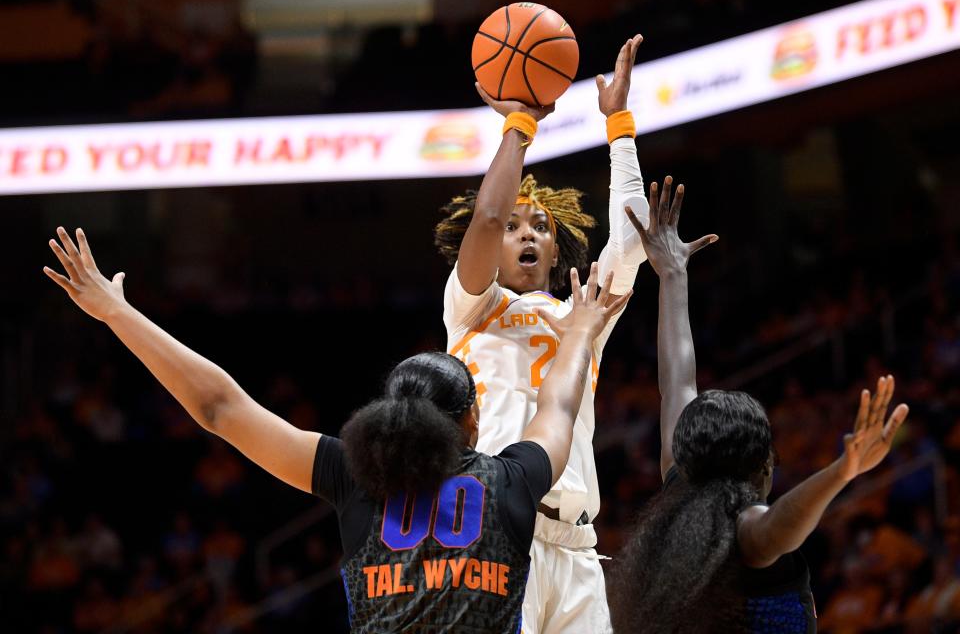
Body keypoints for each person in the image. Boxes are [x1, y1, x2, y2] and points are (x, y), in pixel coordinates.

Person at [43, 226, 629, 633]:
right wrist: (578, 329)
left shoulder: (353, 475)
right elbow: (558, 403)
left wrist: (117, 312)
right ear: (472, 423)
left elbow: (220, 407)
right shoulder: (511, 480)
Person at [608, 178, 911, 633]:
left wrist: (672, 275)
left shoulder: (679, 489)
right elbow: (778, 526)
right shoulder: (746, 525)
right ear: (761, 465)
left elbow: (677, 383)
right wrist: (841, 471)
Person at [434, 35, 646, 633]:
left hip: (578, 546)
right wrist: (519, 126)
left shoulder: (583, 315)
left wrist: (620, 126)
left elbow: (632, 242)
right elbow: (487, 216)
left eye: (541, 225)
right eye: (517, 226)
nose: (525, 233)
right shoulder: (471, 307)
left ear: (557, 244)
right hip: (497, 529)